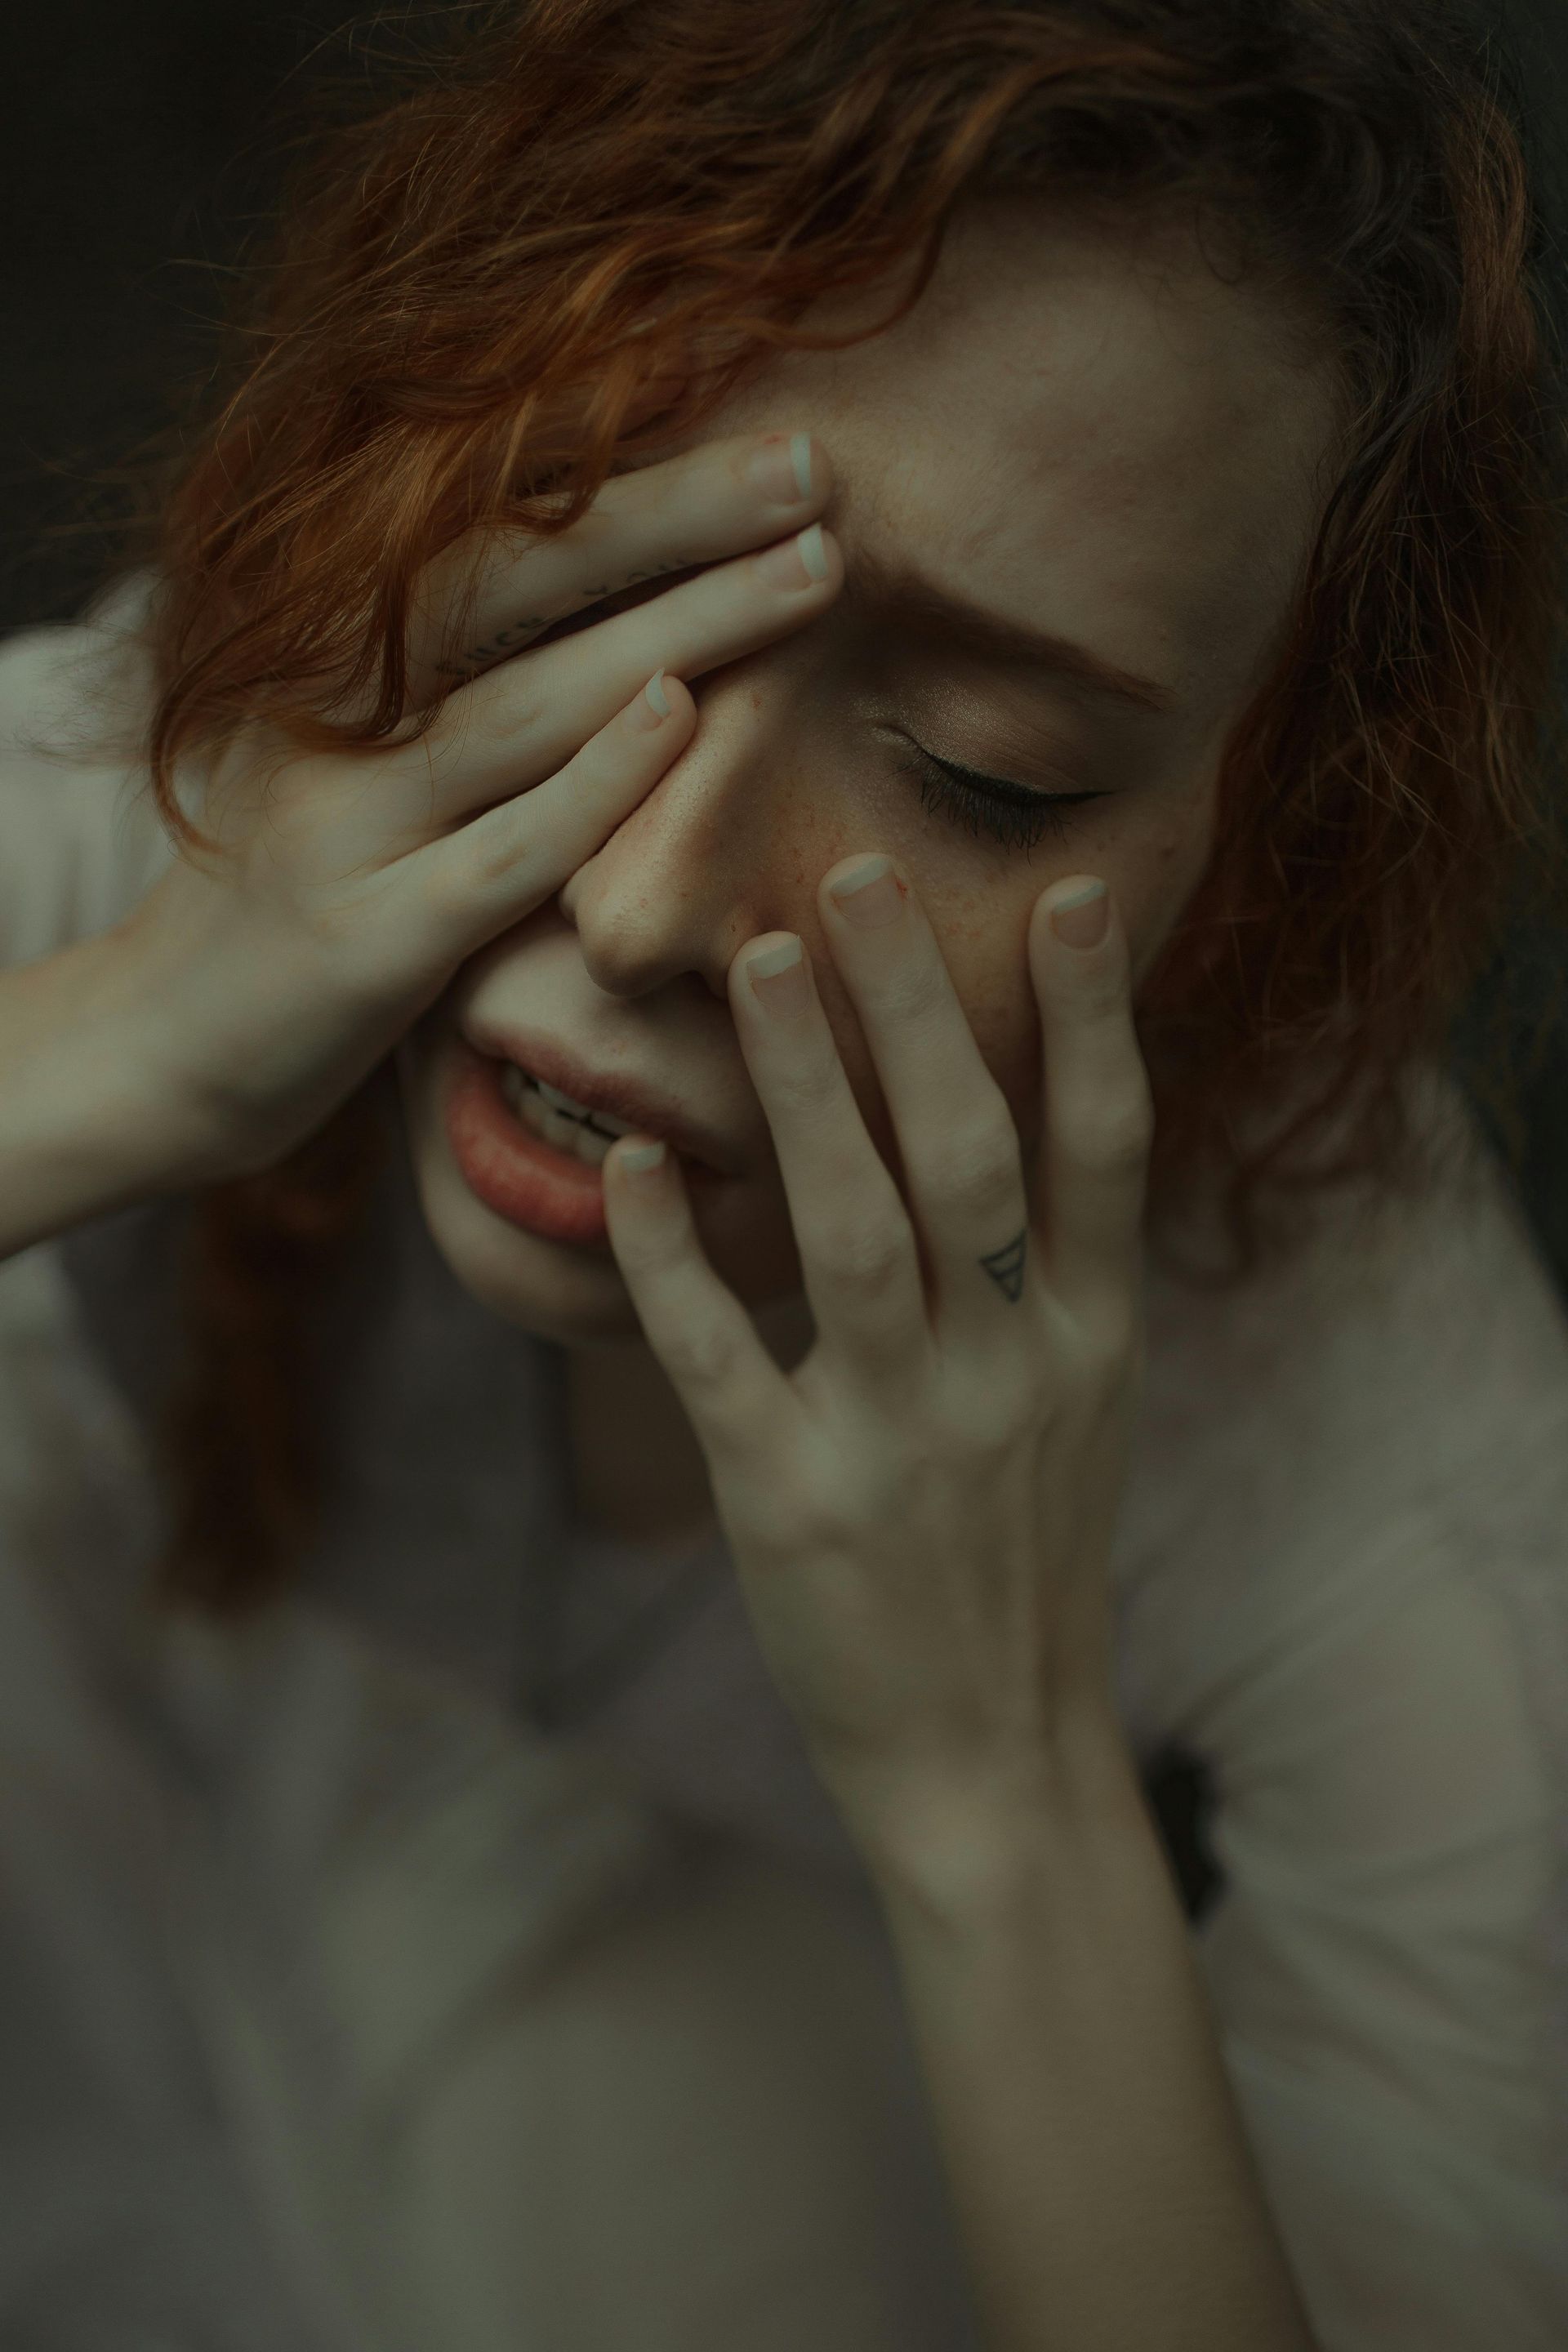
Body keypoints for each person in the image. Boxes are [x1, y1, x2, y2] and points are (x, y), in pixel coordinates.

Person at [1, 0, 1566, 2343]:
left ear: (1266, 856)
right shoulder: (212, 783)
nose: (643, 904)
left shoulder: (1384, 1421)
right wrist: (109, 1045)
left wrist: (1002, 1807)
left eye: (980, 772)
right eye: (588, 617)